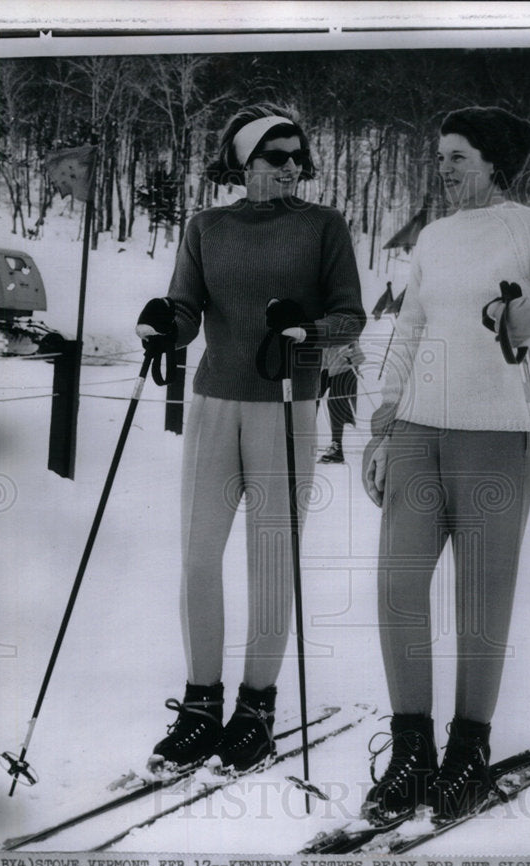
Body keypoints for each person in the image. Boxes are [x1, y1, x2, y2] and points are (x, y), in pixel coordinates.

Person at [361, 106, 530, 823]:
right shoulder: (434, 237)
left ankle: (466, 751)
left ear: (493, 162)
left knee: (480, 599)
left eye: (458, 157)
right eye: (439, 156)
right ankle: (412, 754)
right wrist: (382, 426)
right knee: (397, 587)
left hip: (495, 437)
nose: (443, 168)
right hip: (416, 432)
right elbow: (408, 328)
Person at [135, 104, 365, 775]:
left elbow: (347, 315)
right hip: (213, 403)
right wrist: (162, 323)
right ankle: (201, 703)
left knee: (270, 560)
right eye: (275, 155)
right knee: (199, 555)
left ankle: (256, 707)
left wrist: (309, 330)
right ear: (243, 161)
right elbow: (184, 310)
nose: (290, 166)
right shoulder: (207, 226)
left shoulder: (323, 226)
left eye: (296, 155)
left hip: (286, 403)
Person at [317, 341, 365, 464]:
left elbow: (359, 355)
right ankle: (300, 442)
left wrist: (350, 353)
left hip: (344, 368)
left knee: (335, 404)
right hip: (326, 367)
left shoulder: (346, 327)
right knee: (311, 400)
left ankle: (337, 449)